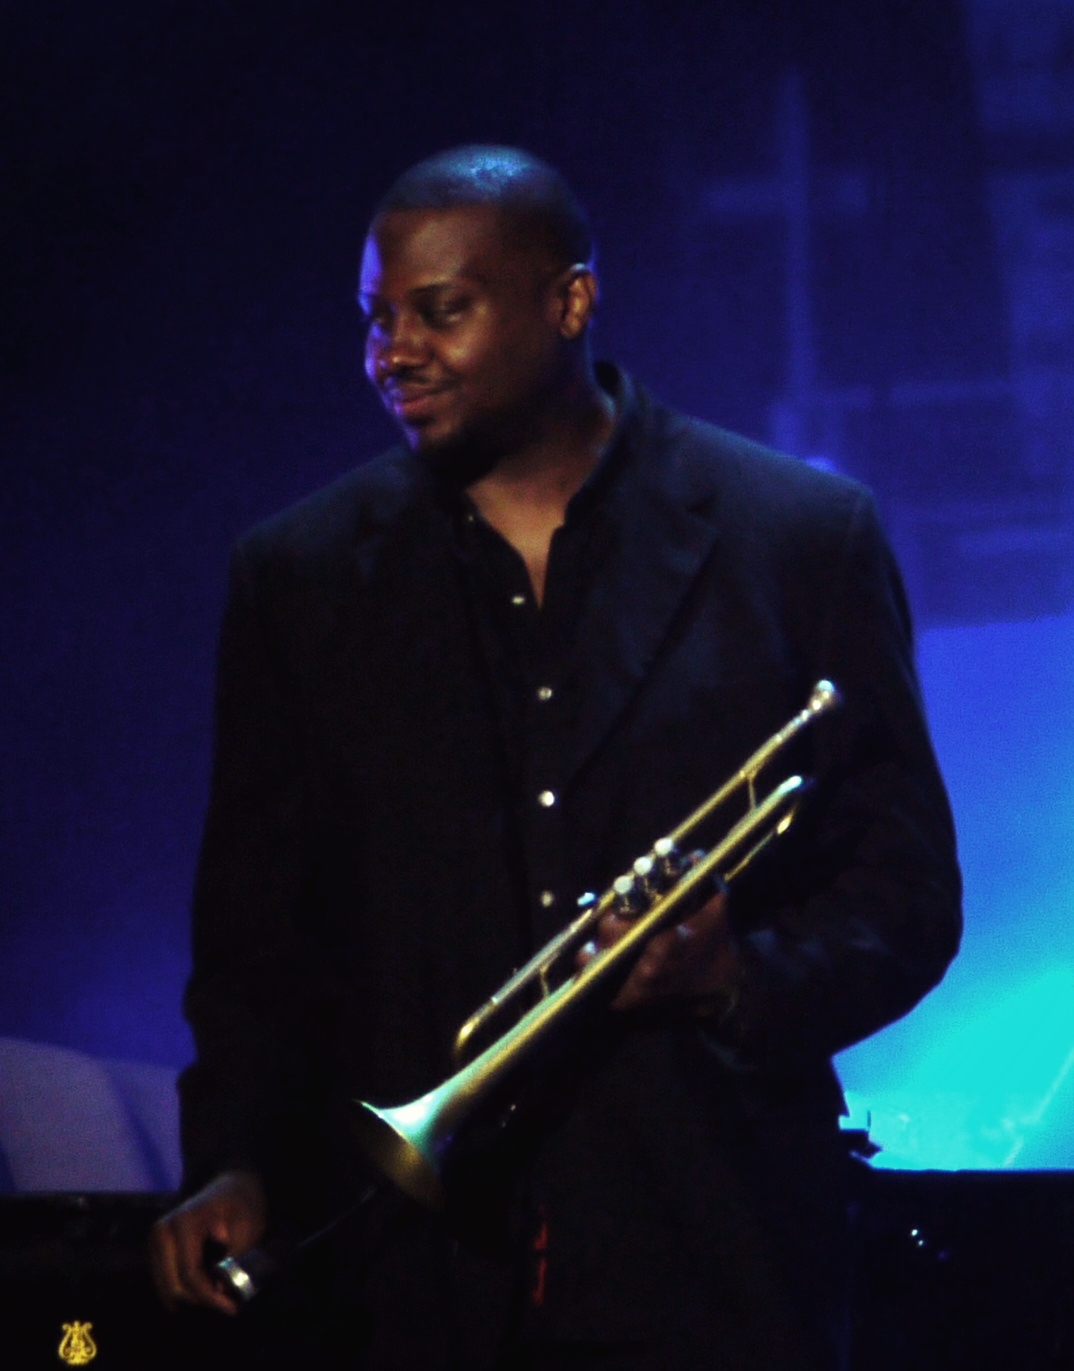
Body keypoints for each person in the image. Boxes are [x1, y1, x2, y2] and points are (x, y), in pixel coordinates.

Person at [150, 145, 962, 1369]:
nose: (392, 352)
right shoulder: (296, 577)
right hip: (405, 1276)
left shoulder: (797, 538)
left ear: (571, 301)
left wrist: (735, 978)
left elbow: (906, 896)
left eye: (440, 311)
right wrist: (233, 1159)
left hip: (715, 1243)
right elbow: (255, 935)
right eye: (377, 317)